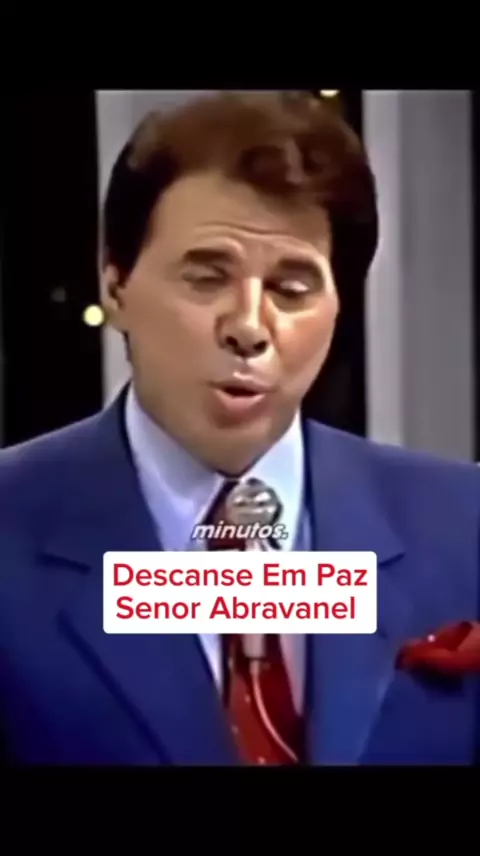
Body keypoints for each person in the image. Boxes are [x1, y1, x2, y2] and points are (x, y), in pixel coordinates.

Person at [0, 92, 478, 766]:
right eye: (206, 277)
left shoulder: (465, 525)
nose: (249, 327)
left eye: (291, 289)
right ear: (115, 284)